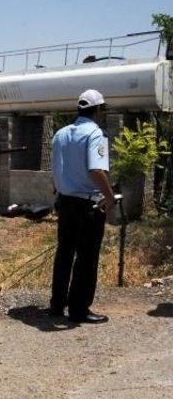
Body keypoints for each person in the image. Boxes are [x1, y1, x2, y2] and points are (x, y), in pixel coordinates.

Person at [50, 89, 115, 324]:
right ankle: (79, 309)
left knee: (64, 254)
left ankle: (57, 304)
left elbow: (55, 169)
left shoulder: (60, 134)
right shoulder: (96, 135)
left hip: (64, 202)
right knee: (86, 258)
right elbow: (96, 170)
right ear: (98, 110)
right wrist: (109, 197)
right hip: (87, 204)